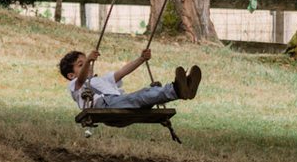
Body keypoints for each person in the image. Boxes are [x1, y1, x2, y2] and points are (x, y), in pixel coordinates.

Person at [61, 44, 200, 112]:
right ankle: (177, 89)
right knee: (141, 96)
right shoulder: (76, 85)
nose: (88, 65)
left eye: (86, 62)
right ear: (71, 75)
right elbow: (81, 79)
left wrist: (141, 59)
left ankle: (185, 88)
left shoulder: (101, 80)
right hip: (105, 106)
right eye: (81, 64)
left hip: (118, 103)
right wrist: (89, 61)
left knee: (145, 94)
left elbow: (122, 72)